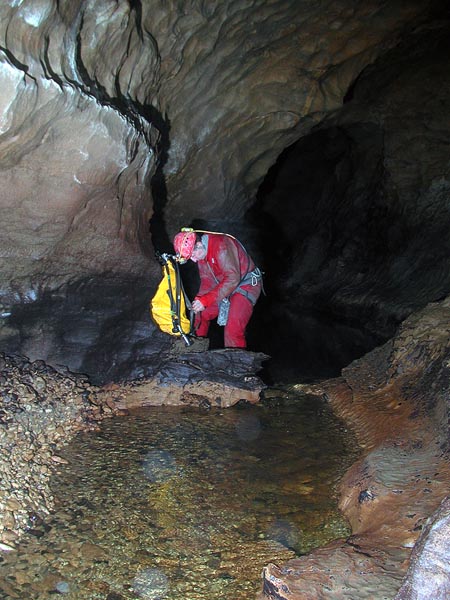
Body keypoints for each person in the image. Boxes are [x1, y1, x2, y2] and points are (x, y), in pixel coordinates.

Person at [173, 229, 263, 348]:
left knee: (233, 328)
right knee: (200, 314)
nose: (194, 260)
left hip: (245, 284)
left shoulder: (221, 246)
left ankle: (236, 357)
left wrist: (206, 300)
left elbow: (232, 278)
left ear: (198, 244)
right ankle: (195, 349)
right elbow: (207, 281)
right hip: (225, 287)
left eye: (193, 255)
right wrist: (199, 300)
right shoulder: (202, 253)